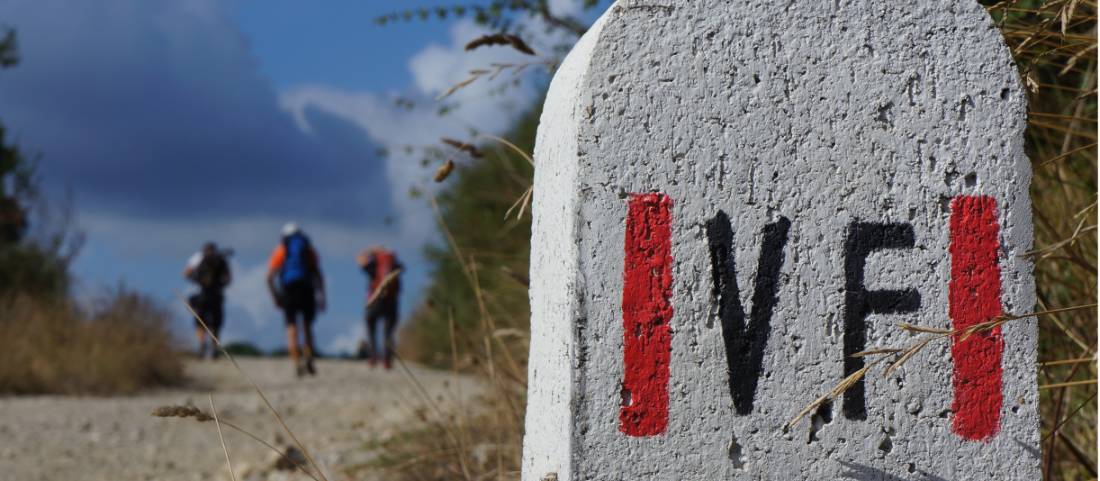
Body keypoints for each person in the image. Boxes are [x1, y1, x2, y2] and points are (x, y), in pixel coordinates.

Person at [267, 223, 326, 377]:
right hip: (307, 289)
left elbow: (269, 277)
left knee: (292, 329)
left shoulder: (281, 250)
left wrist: (275, 296)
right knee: (307, 328)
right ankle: (309, 359)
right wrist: (322, 297)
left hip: (288, 291)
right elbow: (318, 275)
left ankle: (296, 363)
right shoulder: (308, 250)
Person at [357, 245, 403, 369]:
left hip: (375, 299)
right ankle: (387, 360)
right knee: (388, 332)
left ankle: (373, 357)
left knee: (371, 327)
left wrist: (371, 250)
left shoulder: (374, 264)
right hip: (391, 300)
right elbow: (402, 270)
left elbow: (359, 259)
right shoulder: (394, 263)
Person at [183, 242, 231, 359]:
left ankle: (201, 346)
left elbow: (186, 273)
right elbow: (228, 278)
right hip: (217, 295)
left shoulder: (198, 258)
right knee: (216, 323)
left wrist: (196, 280)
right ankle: (214, 348)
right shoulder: (221, 260)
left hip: (202, 295)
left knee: (200, 322)